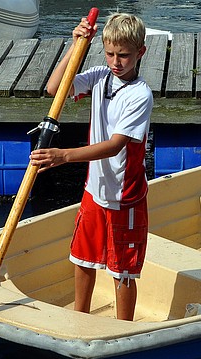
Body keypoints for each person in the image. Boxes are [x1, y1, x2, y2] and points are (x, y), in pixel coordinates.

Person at [29, 13, 153, 321]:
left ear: (140, 53)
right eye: (110, 54)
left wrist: (63, 156)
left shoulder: (140, 95)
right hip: (94, 191)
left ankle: (123, 329)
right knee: (82, 259)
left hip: (125, 198)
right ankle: (79, 319)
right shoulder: (100, 77)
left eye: (123, 55)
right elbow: (54, 88)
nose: (116, 62)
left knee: (122, 270)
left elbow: (115, 144)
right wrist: (75, 46)